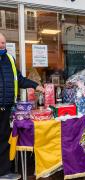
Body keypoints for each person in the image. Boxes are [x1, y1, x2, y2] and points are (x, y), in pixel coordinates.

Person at [0, 32, 44, 179]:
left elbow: (19, 79)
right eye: (0, 42)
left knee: (4, 140)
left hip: (5, 107)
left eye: (4, 42)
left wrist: (35, 86)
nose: (2, 45)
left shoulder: (10, 60)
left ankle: (4, 172)